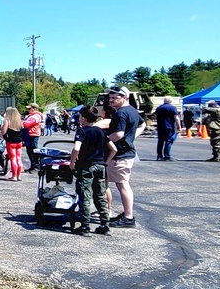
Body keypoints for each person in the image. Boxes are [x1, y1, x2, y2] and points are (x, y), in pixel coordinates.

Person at [69, 107, 117, 236]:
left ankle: (85, 226)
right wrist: (105, 162)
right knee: (100, 195)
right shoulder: (101, 132)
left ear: (83, 118)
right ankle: (104, 225)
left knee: (85, 195)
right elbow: (114, 149)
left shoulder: (82, 131)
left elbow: (76, 148)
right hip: (100, 166)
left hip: (86, 166)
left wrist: (72, 162)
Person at [105, 86, 145, 228]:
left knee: (122, 184)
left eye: (115, 97)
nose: (111, 100)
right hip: (125, 152)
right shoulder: (132, 111)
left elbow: (119, 134)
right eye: (110, 97)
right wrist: (132, 137)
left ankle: (128, 217)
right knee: (119, 183)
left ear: (124, 98)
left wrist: (103, 141)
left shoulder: (121, 113)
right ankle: (125, 214)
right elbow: (143, 124)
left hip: (120, 154)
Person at [0, 107, 25, 181]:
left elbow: (3, 132)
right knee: (18, 158)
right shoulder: (20, 121)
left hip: (11, 142)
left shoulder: (7, 121)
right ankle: (19, 176)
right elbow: (23, 131)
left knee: (13, 158)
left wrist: (6, 138)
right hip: (19, 141)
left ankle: (14, 176)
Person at [154, 97, 181, 161]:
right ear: (171, 101)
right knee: (168, 141)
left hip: (160, 126)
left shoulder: (159, 108)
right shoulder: (172, 108)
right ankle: (167, 155)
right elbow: (176, 118)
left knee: (160, 141)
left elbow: (154, 117)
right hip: (169, 126)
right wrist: (179, 127)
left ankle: (159, 156)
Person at [23, 103, 44, 172]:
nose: (28, 110)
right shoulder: (31, 116)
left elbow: (26, 124)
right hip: (30, 135)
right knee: (29, 151)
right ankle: (33, 165)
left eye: (29, 108)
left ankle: (36, 166)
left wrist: (22, 122)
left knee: (33, 151)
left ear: (34, 109)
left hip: (33, 135)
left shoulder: (35, 116)